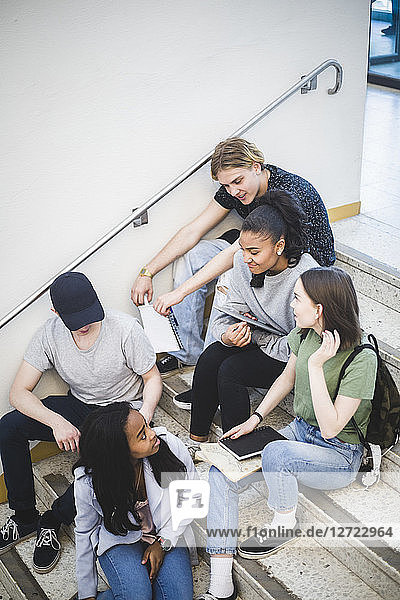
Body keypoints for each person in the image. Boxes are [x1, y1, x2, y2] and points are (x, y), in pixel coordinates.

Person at [197, 267, 377, 600]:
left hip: (339, 455)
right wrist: (255, 418)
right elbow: (286, 379)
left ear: (319, 308)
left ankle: (285, 521)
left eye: (297, 298)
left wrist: (317, 365)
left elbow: (332, 426)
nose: (292, 306)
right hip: (300, 432)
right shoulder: (305, 334)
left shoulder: (362, 357)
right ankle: (220, 584)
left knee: (276, 453)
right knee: (219, 470)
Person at [0, 272, 162, 574]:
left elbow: (152, 377)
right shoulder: (49, 334)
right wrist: (57, 421)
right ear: (56, 313)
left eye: (89, 314)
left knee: (108, 462)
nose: (85, 324)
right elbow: (17, 393)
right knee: (8, 427)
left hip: (121, 412)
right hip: (78, 406)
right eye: (75, 318)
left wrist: (143, 419)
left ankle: (53, 520)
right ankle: (24, 517)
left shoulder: (125, 329)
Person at [131, 137, 335, 374]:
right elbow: (193, 230)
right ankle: (188, 353)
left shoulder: (287, 194)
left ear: (256, 167)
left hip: (300, 262)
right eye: (226, 186)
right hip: (258, 248)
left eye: (237, 181)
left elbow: (232, 255)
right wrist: (148, 271)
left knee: (229, 276)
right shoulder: (236, 189)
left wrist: (178, 294)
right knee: (194, 256)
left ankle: (210, 367)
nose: (233, 191)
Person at [173, 190, 318, 436]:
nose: (246, 258)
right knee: (210, 358)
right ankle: (197, 437)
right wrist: (227, 335)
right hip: (259, 337)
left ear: (279, 246)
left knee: (231, 370)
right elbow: (223, 317)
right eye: (242, 249)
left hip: (289, 351)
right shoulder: (242, 263)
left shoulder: (305, 276)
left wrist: (255, 336)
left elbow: (300, 346)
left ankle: (235, 447)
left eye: (254, 252)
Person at [74, 403, 197, 600]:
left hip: (168, 532)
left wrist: (163, 542)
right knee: (137, 596)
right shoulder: (89, 481)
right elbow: (85, 532)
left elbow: (191, 502)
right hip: (121, 539)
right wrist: (86, 592)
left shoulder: (169, 447)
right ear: (119, 453)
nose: (152, 434)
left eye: (147, 425)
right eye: (142, 435)